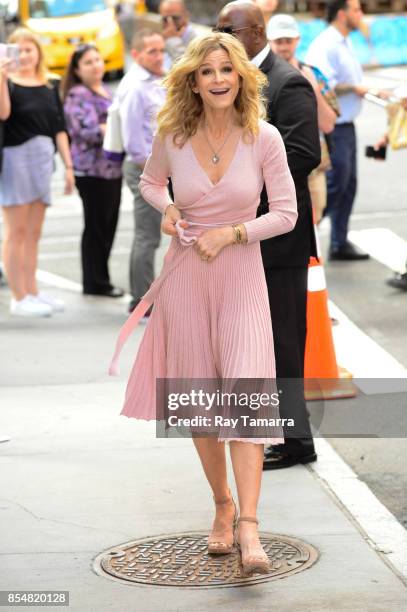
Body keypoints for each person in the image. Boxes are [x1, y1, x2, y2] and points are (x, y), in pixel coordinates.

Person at [109, 32, 297, 576]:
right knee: (201, 401)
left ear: (241, 77)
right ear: (193, 80)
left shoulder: (264, 137)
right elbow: (148, 183)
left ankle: (250, 526)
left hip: (240, 278)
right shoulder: (173, 133)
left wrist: (234, 233)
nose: (218, 79)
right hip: (187, 276)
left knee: (244, 394)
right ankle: (222, 504)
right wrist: (167, 208)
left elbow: (285, 213)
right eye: (207, 71)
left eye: (226, 70)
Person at [216, 1, 321, 469]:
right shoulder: (231, 81)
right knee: (251, 343)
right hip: (242, 237)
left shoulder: (287, 82)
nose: (221, 36)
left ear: (255, 32)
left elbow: (303, 154)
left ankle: (297, 443)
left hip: (278, 240)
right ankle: (270, 432)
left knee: (282, 342)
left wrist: (244, 183)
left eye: (228, 30)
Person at [0, 28, 74, 317]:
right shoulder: (10, 83)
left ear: (38, 52)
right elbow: (3, 114)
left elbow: (59, 128)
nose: (25, 55)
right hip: (17, 159)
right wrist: (2, 78)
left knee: (34, 232)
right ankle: (18, 297)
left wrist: (68, 166)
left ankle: (32, 290)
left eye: (30, 49)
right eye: (19, 50)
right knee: (16, 231)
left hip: (44, 159)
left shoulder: (49, 84)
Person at [305, 0, 386, 260]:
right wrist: (355, 88)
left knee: (348, 184)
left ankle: (339, 242)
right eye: (356, 10)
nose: (360, 14)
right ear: (342, 14)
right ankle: (307, 236)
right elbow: (322, 85)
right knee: (335, 185)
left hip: (348, 125)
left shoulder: (345, 40)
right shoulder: (326, 44)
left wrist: (367, 89)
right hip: (333, 127)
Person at [62, 44, 123, 298]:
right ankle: (95, 282)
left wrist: (108, 127)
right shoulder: (78, 94)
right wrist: (108, 127)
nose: (96, 65)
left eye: (98, 60)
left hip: (112, 168)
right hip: (91, 171)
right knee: (96, 226)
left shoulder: (105, 90)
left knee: (108, 225)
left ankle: (100, 278)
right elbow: (85, 130)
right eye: (88, 62)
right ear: (77, 69)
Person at [267, 14, 339, 223]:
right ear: (269, 42)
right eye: (278, 41)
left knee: (314, 221)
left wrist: (311, 86)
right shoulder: (258, 77)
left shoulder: (314, 74)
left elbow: (328, 124)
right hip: (274, 169)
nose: (283, 46)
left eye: (288, 41)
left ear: (297, 40)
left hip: (313, 169)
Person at [117, 29, 166, 314]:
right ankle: (142, 299)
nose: (160, 57)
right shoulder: (136, 85)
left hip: (157, 167)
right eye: (152, 52)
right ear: (136, 54)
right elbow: (134, 142)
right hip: (144, 169)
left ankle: (144, 295)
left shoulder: (157, 79)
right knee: (147, 235)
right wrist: (152, 173)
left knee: (151, 235)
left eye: (161, 50)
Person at [159, 0, 197, 69]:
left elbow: (185, 69)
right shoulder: (160, 39)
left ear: (186, 16)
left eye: (175, 18)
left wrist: (173, 39)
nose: (170, 23)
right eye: (165, 19)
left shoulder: (197, 41)